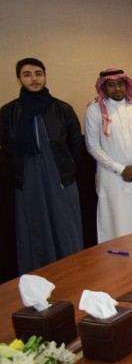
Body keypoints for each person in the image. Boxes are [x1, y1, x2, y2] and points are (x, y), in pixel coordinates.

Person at [0, 58, 83, 274]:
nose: (34, 79)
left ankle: (72, 271)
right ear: (19, 79)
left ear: (45, 76)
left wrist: (67, 168)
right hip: (28, 177)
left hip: (60, 178)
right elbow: (7, 147)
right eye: (27, 74)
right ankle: (38, 275)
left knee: (65, 224)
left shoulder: (62, 109)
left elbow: (75, 144)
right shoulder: (8, 112)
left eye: (38, 73)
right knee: (34, 226)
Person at [85, 68, 132, 243]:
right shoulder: (94, 110)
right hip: (112, 178)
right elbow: (92, 146)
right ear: (104, 88)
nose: (117, 89)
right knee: (117, 226)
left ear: (126, 85)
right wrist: (120, 169)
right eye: (111, 85)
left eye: (120, 84)